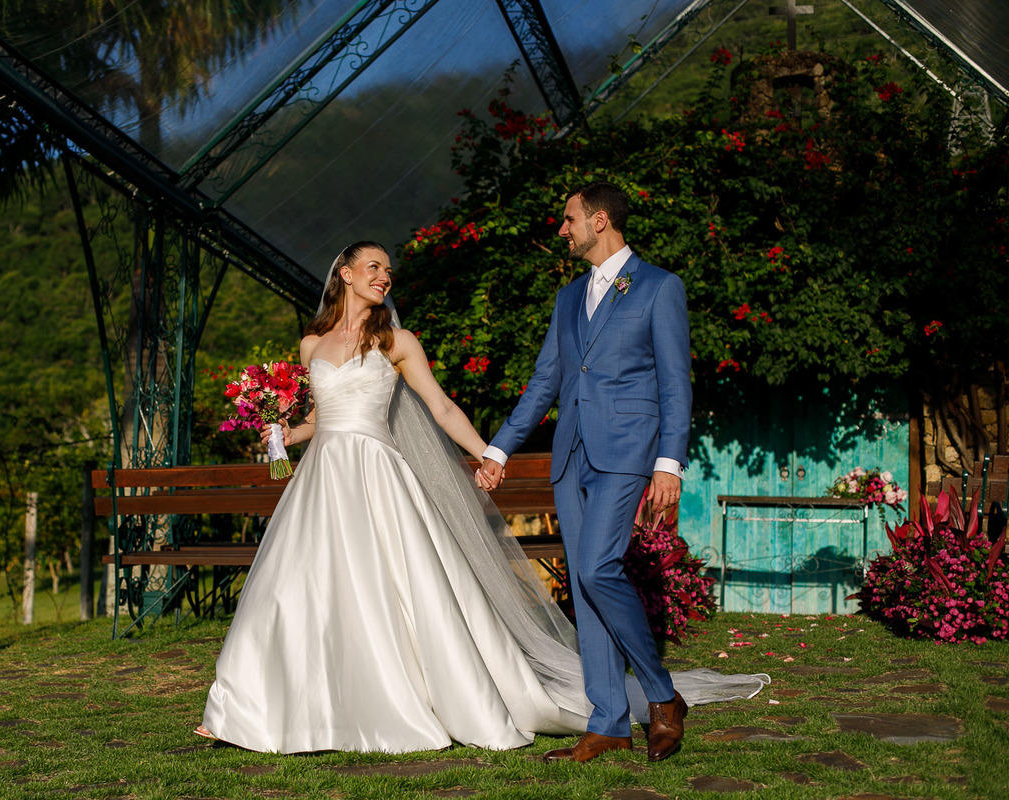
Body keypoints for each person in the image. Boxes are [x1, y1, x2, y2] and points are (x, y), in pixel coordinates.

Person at [196, 240, 766, 755]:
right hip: (322, 481)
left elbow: (442, 408)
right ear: (344, 273)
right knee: (294, 589)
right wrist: (280, 431)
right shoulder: (311, 344)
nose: (384, 277)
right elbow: (322, 417)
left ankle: (392, 705)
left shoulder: (398, 342)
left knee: (385, 591)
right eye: (373, 267)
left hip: (376, 477)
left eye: (389, 271)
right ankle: (249, 707)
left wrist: (488, 456)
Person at [480, 182, 693, 763]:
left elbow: (675, 382)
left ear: (599, 221)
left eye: (568, 219)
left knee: (599, 568)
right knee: (584, 585)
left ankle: (662, 696)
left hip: (627, 453)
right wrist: (499, 450)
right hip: (570, 454)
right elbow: (545, 382)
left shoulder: (659, 286)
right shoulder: (568, 297)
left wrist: (668, 463)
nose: (562, 229)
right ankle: (609, 722)